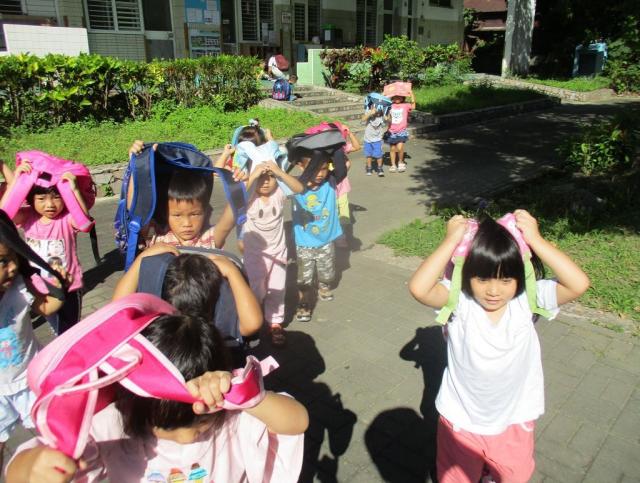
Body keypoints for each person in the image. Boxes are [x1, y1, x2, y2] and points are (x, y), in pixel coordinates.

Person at [5, 313, 309, 482]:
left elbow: (297, 421)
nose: (188, 437)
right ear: (134, 402)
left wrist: (244, 395)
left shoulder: (229, 414)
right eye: (168, 427)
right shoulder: (114, 423)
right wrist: (33, 467)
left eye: (201, 422)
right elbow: (23, 468)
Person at [408, 210, 590, 483]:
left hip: (513, 420)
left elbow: (578, 284)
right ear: (466, 275)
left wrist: (535, 240)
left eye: (506, 280)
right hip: (461, 421)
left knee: (512, 477)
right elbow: (419, 289)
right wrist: (451, 241)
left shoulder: (527, 299)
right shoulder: (460, 301)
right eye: (482, 279)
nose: (494, 291)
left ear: (520, 277)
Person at [0, 213, 64, 472]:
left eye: (13, 257)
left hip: (31, 378)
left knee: (52, 435)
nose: (12, 267)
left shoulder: (19, 288)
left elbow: (45, 307)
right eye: (2, 261)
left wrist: (59, 287)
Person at [112, 243, 263, 348]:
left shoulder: (157, 333)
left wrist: (141, 259)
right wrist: (232, 272)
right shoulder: (217, 331)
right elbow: (252, 324)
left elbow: (118, 308)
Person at [0, 162, 91, 334]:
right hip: (39, 288)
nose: (50, 204)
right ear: (31, 200)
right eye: (41, 199)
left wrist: (74, 190)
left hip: (68, 287)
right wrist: (16, 180)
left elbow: (84, 222)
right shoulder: (27, 217)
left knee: (70, 330)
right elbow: (4, 213)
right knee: (57, 330)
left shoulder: (67, 219)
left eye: (56, 198)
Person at [127, 141, 235, 251]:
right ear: (165, 213)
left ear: (205, 212)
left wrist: (242, 183)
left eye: (194, 214)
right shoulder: (157, 237)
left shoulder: (208, 238)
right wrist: (137, 165)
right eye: (177, 215)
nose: (187, 224)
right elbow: (136, 213)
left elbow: (228, 221)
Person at [243, 160, 303, 346]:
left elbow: (299, 188)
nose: (265, 182)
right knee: (256, 290)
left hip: (278, 252)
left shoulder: (279, 193)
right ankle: (252, 319)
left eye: (270, 177)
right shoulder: (249, 196)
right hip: (255, 255)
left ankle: (275, 322)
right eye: (261, 178)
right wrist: (253, 176)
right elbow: (236, 198)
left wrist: (279, 172)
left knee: (277, 288)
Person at [291, 152, 343, 322]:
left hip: (326, 241)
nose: (320, 174)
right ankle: (304, 302)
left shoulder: (331, 182)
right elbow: (281, 178)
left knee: (327, 271)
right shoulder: (295, 186)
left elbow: (345, 166)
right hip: (304, 243)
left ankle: (323, 286)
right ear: (301, 167)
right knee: (304, 278)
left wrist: (335, 149)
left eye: (324, 168)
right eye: (314, 169)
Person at [386, 91, 416, 173]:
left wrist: (411, 94)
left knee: (400, 148)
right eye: (395, 96)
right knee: (392, 149)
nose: (397, 98)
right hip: (391, 131)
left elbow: (413, 106)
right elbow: (388, 117)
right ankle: (393, 165)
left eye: (399, 96)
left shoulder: (406, 105)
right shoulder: (390, 105)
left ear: (403, 97)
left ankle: (400, 162)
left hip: (401, 131)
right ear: (393, 97)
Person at [362, 107, 390, 177]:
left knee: (379, 155)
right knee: (368, 155)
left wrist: (387, 118)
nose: (377, 110)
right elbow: (363, 119)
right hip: (367, 139)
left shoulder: (382, 116)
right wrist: (370, 113)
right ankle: (369, 168)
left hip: (377, 140)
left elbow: (388, 121)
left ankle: (379, 168)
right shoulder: (369, 113)